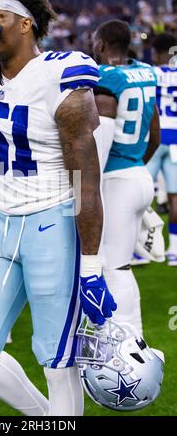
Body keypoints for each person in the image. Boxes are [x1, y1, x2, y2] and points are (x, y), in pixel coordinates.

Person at [0, 0, 116, 416]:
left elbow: (86, 180)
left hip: (52, 224)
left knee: (58, 362)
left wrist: (92, 266)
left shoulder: (62, 76)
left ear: (26, 25)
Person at [92, 19, 160, 336]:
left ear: (102, 44)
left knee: (114, 267)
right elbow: (155, 134)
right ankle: (131, 335)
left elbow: (101, 139)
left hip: (118, 180)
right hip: (139, 174)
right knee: (119, 266)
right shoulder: (146, 72)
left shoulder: (107, 77)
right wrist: (135, 165)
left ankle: (129, 341)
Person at [147, 33, 177, 266]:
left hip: (155, 137)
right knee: (175, 198)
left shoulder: (150, 73)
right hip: (176, 138)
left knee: (143, 195)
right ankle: (174, 249)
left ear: (155, 51)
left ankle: (145, 244)